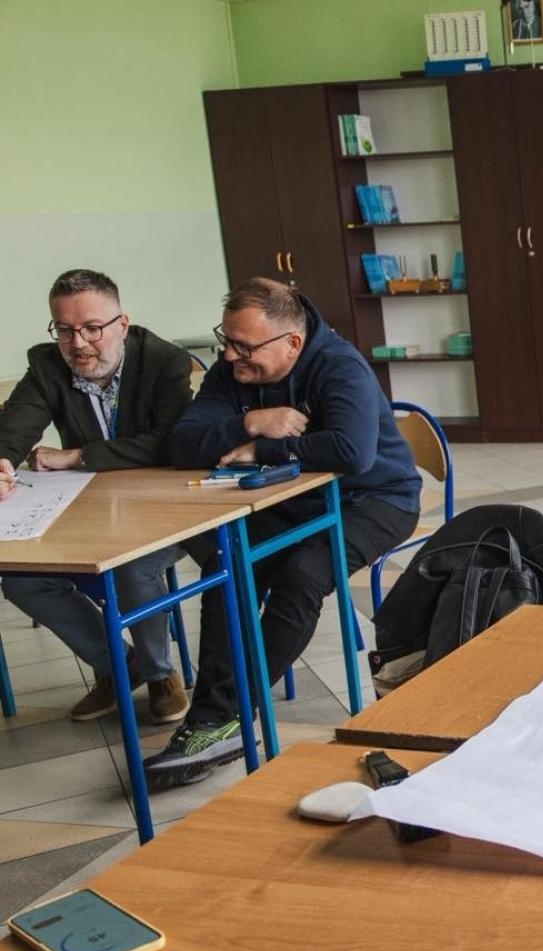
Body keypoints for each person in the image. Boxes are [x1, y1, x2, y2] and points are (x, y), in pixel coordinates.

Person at [143, 278, 420, 787]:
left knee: (302, 573)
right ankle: (214, 716)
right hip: (294, 498)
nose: (229, 355)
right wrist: (253, 422)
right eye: (225, 340)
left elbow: (353, 453)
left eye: (243, 346)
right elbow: (181, 443)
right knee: (226, 562)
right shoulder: (235, 371)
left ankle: (224, 716)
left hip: (377, 499)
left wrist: (264, 451)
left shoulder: (339, 366)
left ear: (291, 343)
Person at [0, 269, 192, 723]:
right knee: (19, 577)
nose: (79, 343)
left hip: (166, 505)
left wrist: (77, 456)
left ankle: (161, 672)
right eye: (64, 330)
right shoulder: (48, 365)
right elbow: (13, 430)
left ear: (122, 324)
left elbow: (171, 440)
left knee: (131, 566)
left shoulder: (165, 360)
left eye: (91, 328)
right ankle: (121, 668)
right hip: (88, 509)